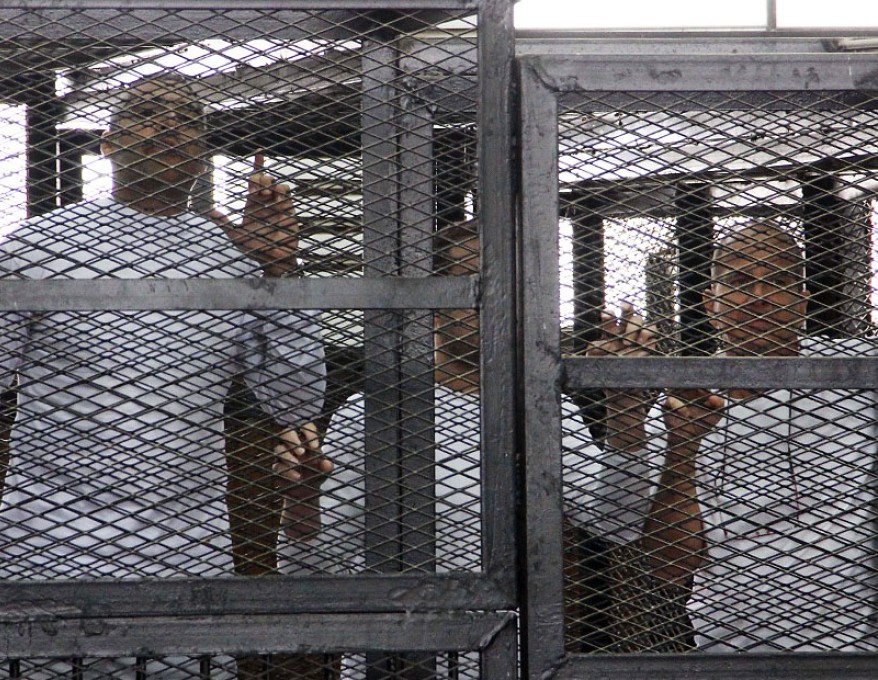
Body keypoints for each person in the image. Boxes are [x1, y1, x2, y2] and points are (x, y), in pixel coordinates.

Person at [0, 74, 326, 676]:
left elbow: (295, 397)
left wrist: (282, 273)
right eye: (148, 113)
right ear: (107, 142)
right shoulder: (36, 248)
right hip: (49, 535)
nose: (169, 126)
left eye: (186, 119)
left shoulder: (233, 257)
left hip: (188, 541)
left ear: (204, 150)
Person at [603, 219, 878, 651]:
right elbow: (672, 569)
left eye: (779, 280)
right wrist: (683, 450)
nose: (760, 298)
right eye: (740, 280)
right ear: (711, 302)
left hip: (864, 654)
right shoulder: (684, 401)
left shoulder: (862, 370)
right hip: (729, 655)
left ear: (803, 300)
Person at [276, 222, 686, 655]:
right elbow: (310, 569)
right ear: (435, 303)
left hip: (512, 657)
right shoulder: (373, 413)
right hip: (396, 659)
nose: (495, 305)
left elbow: (616, 522)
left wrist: (623, 411)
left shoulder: (542, 410)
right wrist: (302, 499)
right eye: (477, 288)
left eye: (507, 291)